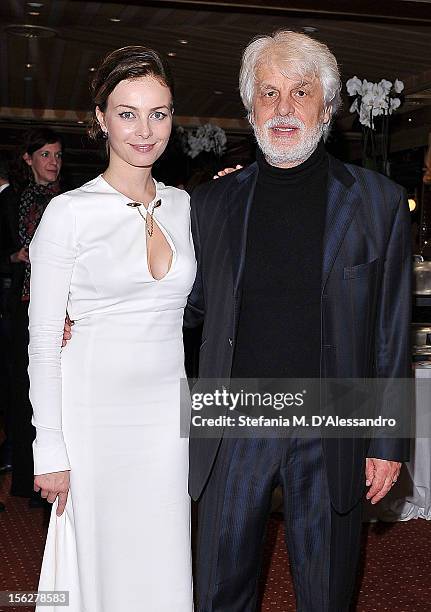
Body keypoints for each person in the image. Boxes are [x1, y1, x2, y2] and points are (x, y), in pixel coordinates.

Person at [185, 30, 411, 611]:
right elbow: (184, 310)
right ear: (250, 107)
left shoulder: (378, 203)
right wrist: (88, 319)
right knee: (217, 589)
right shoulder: (210, 205)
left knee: (326, 591)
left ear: (327, 108)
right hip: (232, 419)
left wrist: (388, 441)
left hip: (332, 420)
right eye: (268, 93)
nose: (283, 109)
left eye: (300, 92)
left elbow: (390, 333)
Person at [28, 46, 195, 611]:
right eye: (128, 113)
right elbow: (44, 342)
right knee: (102, 555)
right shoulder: (69, 212)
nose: (145, 130)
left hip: (168, 414)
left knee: (163, 552)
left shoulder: (186, 208)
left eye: (159, 113)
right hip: (95, 414)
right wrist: (48, 445)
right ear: (100, 119)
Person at [7, 128, 63, 504]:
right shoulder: (11, 200)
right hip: (23, 306)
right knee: (22, 394)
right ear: (28, 159)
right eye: (45, 155)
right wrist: (13, 258)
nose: (53, 162)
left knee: (59, 392)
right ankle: (26, 481)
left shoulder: (70, 200)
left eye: (58, 155)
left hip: (64, 310)